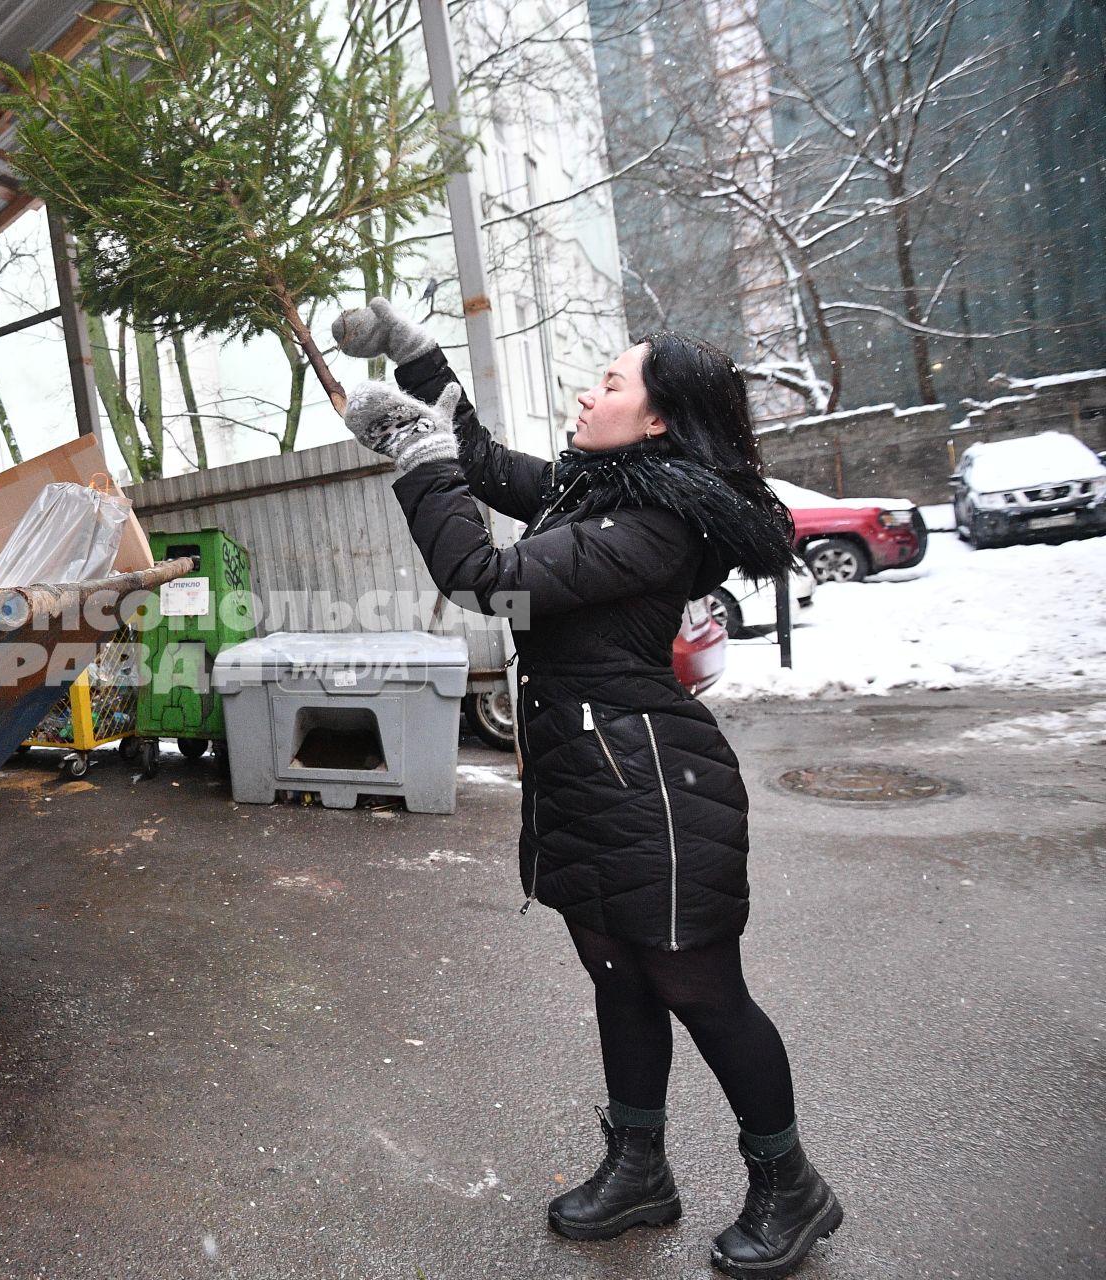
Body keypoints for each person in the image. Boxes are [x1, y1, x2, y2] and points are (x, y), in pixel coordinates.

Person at [330, 299, 844, 1280]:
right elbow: (479, 461)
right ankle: (639, 1165)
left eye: (610, 382)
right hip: (589, 774)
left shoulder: (654, 520)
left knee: (703, 989)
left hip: (653, 783)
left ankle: (791, 1183)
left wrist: (412, 452)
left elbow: (485, 576)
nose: (586, 390)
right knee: (619, 977)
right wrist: (415, 360)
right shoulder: (594, 488)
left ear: (656, 418)